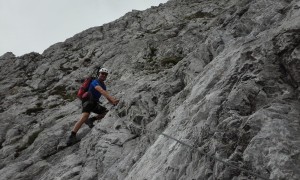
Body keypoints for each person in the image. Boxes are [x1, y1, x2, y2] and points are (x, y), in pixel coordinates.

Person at [67, 67, 119, 146]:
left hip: (94, 103)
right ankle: (72, 135)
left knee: (106, 112)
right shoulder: (95, 82)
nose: (104, 75)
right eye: (102, 73)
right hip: (87, 101)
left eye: (105, 74)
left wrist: (113, 102)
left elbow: (106, 96)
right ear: (99, 74)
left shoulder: (103, 86)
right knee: (84, 116)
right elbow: (101, 91)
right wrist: (112, 99)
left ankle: (91, 120)